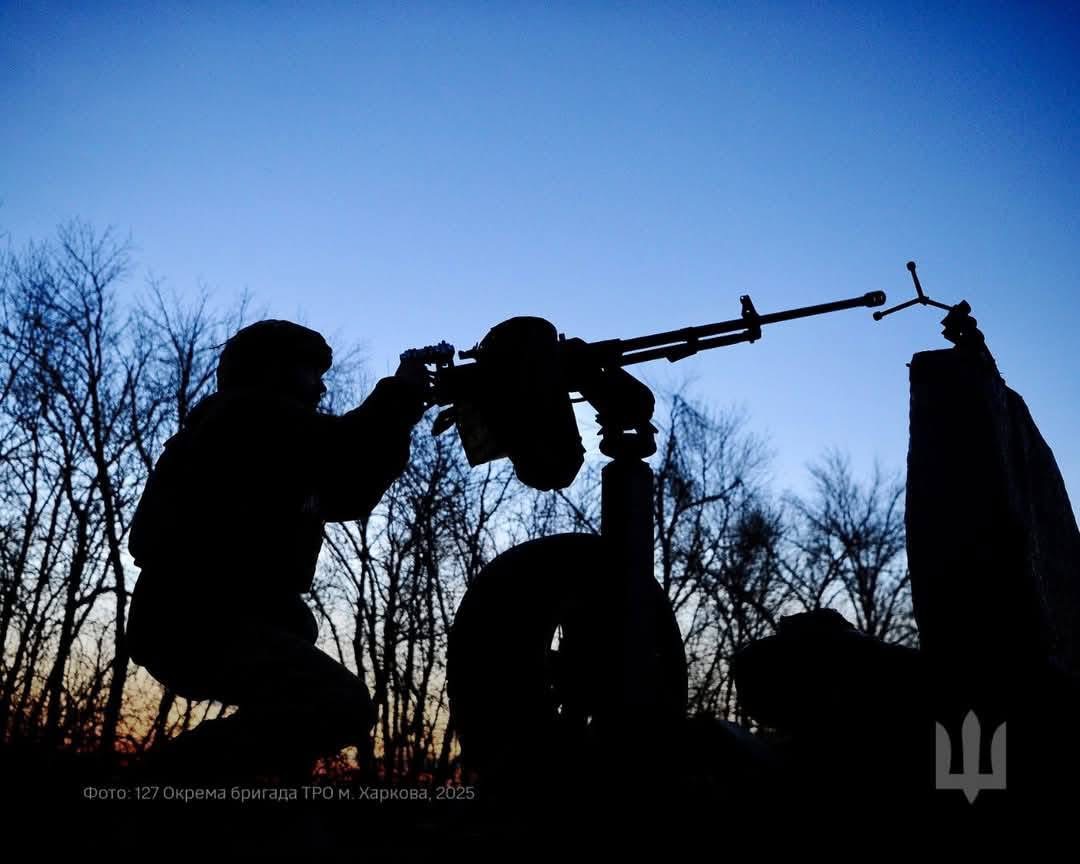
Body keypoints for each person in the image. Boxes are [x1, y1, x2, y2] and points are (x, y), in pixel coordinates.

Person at [126, 319, 429, 782]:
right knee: (337, 703)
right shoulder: (244, 417)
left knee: (296, 724)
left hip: (215, 620)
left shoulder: (275, 438)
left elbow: (350, 487)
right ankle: (165, 783)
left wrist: (402, 412)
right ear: (272, 370)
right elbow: (342, 444)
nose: (321, 386)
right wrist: (401, 394)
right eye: (310, 371)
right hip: (194, 620)